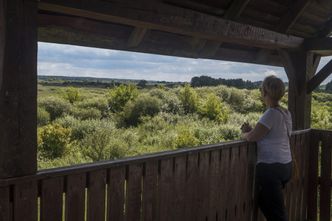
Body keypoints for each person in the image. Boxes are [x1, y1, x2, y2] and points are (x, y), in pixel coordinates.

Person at [241, 75, 292, 221]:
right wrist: (253, 131)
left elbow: (252, 138)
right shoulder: (286, 113)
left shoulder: (270, 114)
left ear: (265, 92)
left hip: (271, 168)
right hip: (286, 166)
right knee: (266, 203)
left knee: (277, 215)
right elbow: (271, 134)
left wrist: (245, 134)